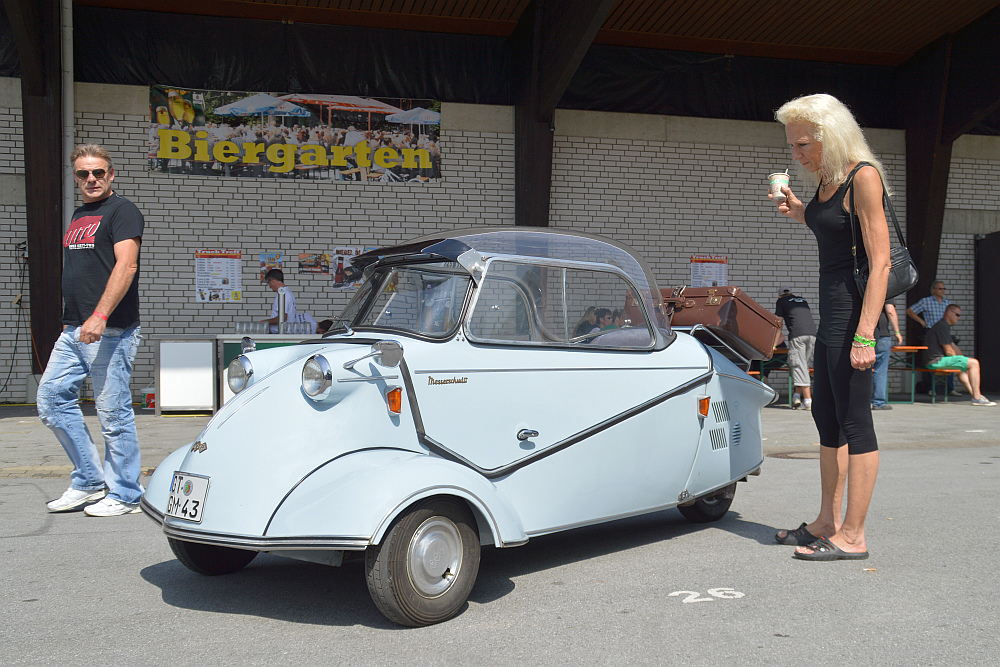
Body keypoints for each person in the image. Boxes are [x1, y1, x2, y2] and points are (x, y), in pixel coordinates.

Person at [771, 94, 891, 561]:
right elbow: (837, 233)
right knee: (826, 420)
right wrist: (802, 211)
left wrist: (866, 335)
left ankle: (854, 536)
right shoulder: (827, 180)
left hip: (855, 322)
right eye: (793, 145)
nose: (795, 154)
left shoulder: (864, 176)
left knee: (857, 425)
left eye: (802, 144)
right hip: (829, 322)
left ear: (831, 135)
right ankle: (827, 521)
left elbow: (880, 262)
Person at [36, 143, 145, 516]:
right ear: (76, 177)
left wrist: (99, 315)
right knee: (51, 400)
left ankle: (127, 493)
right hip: (73, 330)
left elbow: (126, 267)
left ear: (111, 174)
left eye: (99, 172)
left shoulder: (123, 211)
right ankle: (88, 481)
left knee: (113, 415)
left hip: (110, 329)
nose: (92, 179)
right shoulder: (80, 215)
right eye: (84, 173)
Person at [924, 304, 995, 406]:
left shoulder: (943, 326)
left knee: (962, 370)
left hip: (935, 360)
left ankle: (976, 396)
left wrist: (962, 361)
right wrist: (961, 361)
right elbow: (949, 351)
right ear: (949, 313)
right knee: (974, 363)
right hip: (936, 361)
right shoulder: (942, 326)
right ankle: (977, 397)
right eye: (957, 315)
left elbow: (953, 347)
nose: (959, 318)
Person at [907, 280, 957, 395]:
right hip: (931, 332)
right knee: (931, 359)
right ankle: (930, 388)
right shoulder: (926, 301)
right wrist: (921, 321)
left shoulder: (947, 303)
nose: (942, 291)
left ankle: (950, 388)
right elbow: (910, 310)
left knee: (949, 357)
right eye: (940, 289)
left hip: (944, 332)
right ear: (934, 290)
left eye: (944, 289)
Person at [774, 288, 817, 410]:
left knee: (799, 366)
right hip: (812, 335)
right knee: (805, 366)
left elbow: (779, 323)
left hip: (797, 336)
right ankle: (796, 397)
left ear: (780, 296)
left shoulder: (781, 302)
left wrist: (775, 343)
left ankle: (808, 401)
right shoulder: (802, 300)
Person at [871, 303, 903, 410]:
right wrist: (897, 332)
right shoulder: (885, 289)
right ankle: (878, 402)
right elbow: (890, 310)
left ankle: (859, 402)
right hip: (882, 335)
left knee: (861, 369)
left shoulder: (859, 287)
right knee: (880, 370)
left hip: (863, 335)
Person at [262, 268, 296, 333]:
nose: (269, 286)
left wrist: (265, 322)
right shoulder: (287, 292)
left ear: (272, 280)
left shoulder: (283, 294)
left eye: (268, 283)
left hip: (281, 333)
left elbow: (283, 317)